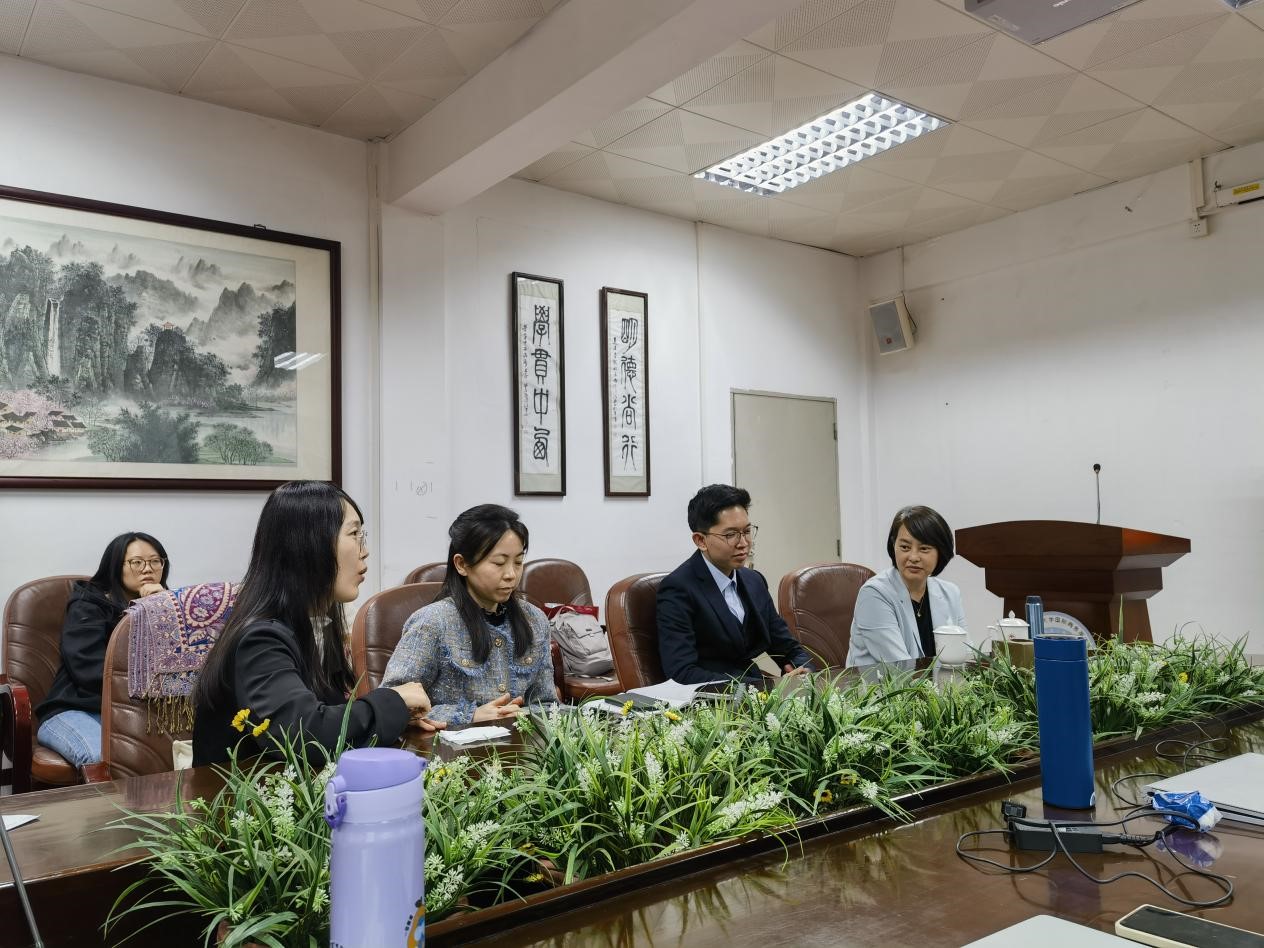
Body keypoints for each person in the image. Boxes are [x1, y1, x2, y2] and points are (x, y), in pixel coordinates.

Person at [193, 481, 436, 766]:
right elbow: (304, 735)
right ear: (307, 544)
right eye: (354, 534)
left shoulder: (316, 626)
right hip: (235, 793)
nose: (365, 550)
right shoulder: (260, 638)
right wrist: (393, 701)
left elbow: (327, 718)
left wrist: (393, 719)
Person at [382, 504, 557, 725]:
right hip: (448, 745)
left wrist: (523, 715)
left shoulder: (535, 620)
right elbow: (392, 704)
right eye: (499, 563)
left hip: (518, 744)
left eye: (518, 562)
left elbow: (547, 704)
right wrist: (468, 716)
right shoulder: (432, 622)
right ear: (462, 564)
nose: (511, 574)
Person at [657, 484, 815, 684]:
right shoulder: (678, 589)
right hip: (715, 698)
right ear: (700, 540)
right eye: (730, 535)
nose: (743, 543)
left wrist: (805, 671)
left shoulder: (753, 580)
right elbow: (682, 672)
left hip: (759, 692)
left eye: (747, 531)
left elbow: (787, 646)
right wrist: (760, 687)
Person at [36, 533, 170, 767]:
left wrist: (161, 609)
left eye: (155, 561)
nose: (147, 569)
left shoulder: (168, 605)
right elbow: (87, 668)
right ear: (115, 566)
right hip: (75, 710)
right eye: (137, 562)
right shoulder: (87, 605)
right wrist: (140, 611)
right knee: (103, 759)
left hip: (134, 714)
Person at [846, 505, 966, 667]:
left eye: (924, 548)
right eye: (905, 547)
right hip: (884, 683)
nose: (913, 557)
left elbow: (965, 654)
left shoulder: (950, 593)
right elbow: (900, 666)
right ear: (893, 546)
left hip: (938, 681)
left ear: (941, 551)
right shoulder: (874, 594)